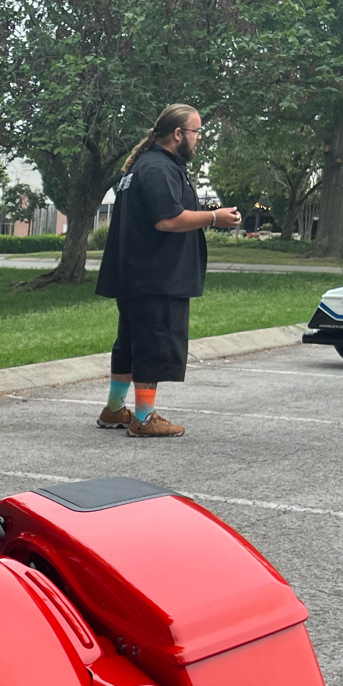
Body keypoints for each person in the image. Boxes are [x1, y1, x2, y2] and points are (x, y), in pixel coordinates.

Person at [95, 103, 240, 437]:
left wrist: (207, 213)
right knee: (154, 344)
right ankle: (144, 418)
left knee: (130, 344)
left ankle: (115, 410)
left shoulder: (145, 167)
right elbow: (168, 219)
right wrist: (215, 217)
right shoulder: (159, 168)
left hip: (136, 274)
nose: (199, 138)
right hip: (156, 276)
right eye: (196, 131)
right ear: (178, 134)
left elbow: (168, 210)